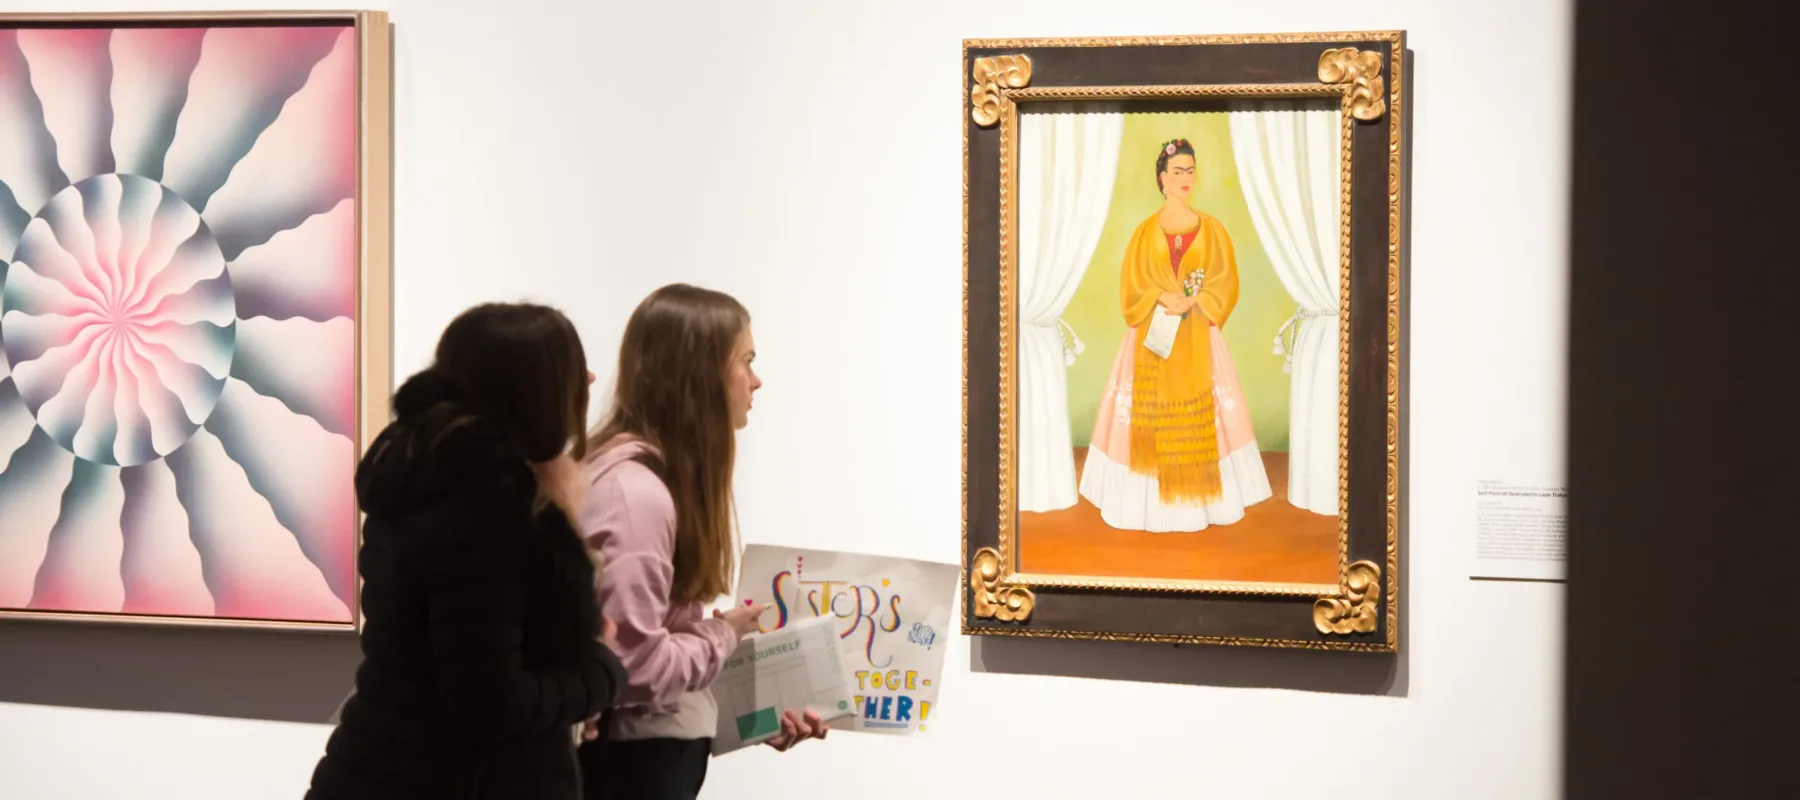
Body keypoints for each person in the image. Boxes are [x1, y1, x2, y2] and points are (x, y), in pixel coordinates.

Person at [306, 302, 628, 800]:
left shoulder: (429, 475)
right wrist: (599, 671)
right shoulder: (486, 508)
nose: (587, 381)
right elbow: (489, 699)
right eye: (570, 371)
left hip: (384, 769)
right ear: (537, 392)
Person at [574, 283, 826, 800]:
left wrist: (750, 709)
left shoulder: (646, 482)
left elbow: (653, 644)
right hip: (631, 769)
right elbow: (632, 667)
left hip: (646, 759)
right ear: (702, 373)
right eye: (746, 361)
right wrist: (722, 637)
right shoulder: (636, 494)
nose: (756, 382)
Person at [1078, 138, 1273, 533]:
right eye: (1178, 172)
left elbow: (1226, 281)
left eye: (1190, 171)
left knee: (1200, 412)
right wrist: (1161, 295)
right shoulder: (1143, 233)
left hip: (1198, 335)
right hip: (1152, 338)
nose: (1186, 178)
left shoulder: (1213, 229)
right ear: (1162, 179)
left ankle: (1200, 503)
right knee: (1148, 419)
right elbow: (1131, 288)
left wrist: (1198, 299)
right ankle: (1145, 506)